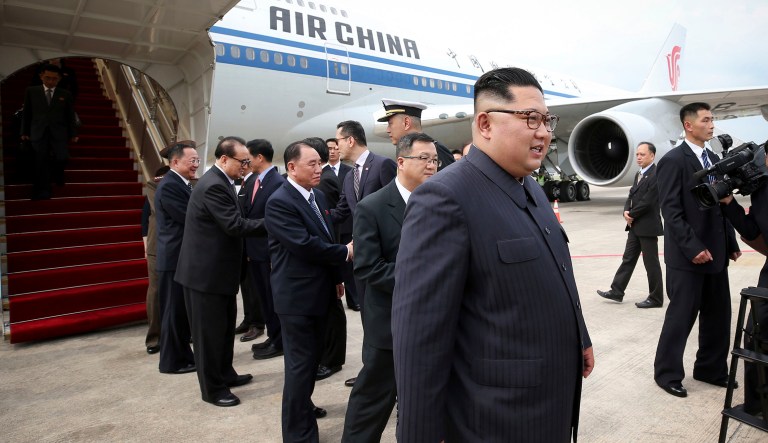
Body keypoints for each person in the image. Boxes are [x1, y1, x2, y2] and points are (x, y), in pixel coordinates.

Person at [391, 67, 594, 442]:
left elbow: (556, 271)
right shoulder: (445, 198)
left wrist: (579, 337)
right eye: (530, 119)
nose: (545, 132)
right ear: (485, 124)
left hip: (550, 401)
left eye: (546, 120)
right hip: (496, 416)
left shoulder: (530, 188)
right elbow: (419, 337)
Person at [342, 132, 437, 442]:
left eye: (435, 160)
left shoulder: (439, 202)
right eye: (424, 158)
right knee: (373, 399)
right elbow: (368, 267)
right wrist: (425, 278)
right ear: (401, 161)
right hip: (390, 324)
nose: (432, 165)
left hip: (435, 323)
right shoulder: (373, 207)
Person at [265, 141, 353, 441]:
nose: (320, 168)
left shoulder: (315, 195)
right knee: (300, 366)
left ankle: (302, 406)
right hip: (297, 299)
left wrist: (337, 278)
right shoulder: (280, 201)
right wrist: (344, 253)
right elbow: (304, 245)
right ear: (292, 167)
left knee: (310, 362)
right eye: (312, 164)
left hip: (321, 291)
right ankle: (298, 433)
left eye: (320, 163)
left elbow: (327, 232)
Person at [653, 102, 741, 398]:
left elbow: (722, 204)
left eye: (712, 119)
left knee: (719, 316)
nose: (712, 124)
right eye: (706, 120)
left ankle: (710, 368)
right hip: (688, 257)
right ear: (689, 125)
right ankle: (667, 374)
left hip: (716, 253)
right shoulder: (673, 161)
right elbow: (671, 211)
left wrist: (730, 242)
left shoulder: (713, 158)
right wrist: (693, 248)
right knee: (681, 317)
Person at [175, 136, 267, 407]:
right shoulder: (213, 185)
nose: (246, 166)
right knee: (208, 336)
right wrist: (275, 220)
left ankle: (225, 373)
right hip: (204, 277)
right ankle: (212, 389)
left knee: (224, 330)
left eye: (248, 161)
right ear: (224, 159)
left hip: (220, 275)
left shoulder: (223, 182)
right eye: (243, 162)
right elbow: (234, 225)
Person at [330, 120, 397, 388]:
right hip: (362, 257)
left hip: (384, 256)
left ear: (350, 140)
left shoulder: (382, 165)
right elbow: (342, 211)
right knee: (368, 316)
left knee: (385, 317)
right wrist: (310, 215)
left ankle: (392, 373)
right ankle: (371, 371)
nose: (334, 145)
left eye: (338, 140)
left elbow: (396, 204)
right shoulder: (348, 175)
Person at [719, 143, 768, 415]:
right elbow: (752, 229)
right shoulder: (762, 190)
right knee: (755, 336)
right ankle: (756, 405)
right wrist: (730, 204)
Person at [597, 142, 665, 308]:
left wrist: (631, 215)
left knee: (651, 264)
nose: (639, 158)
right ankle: (617, 291)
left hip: (647, 226)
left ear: (652, 156)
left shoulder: (656, 175)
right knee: (628, 259)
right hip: (635, 226)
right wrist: (626, 211)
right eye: (637, 155)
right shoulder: (638, 174)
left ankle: (656, 298)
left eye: (642, 154)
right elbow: (631, 196)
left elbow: (648, 202)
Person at [304, 137, 347, 381]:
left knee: (333, 312)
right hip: (322, 258)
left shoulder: (325, 183)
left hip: (327, 255)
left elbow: (331, 227)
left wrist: (336, 269)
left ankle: (333, 359)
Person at [154, 142, 199, 375]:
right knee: (172, 313)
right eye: (191, 161)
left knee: (179, 313)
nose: (195, 165)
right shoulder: (171, 186)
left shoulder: (181, 184)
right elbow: (187, 217)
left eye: (197, 161)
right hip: (173, 258)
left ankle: (183, 357)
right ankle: (172, 362)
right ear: (175, 162)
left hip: (179, 257)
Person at [242, 139, 287, 357]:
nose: (245, 161)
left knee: (273, 298)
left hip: (269, 253)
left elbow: (275, 221)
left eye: (248, 156)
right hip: (256, 253)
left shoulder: (276, 182)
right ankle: (272, 335)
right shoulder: (254, 181)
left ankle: (279, 341)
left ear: (259, 157)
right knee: (264, 298)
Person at [21, 63, 79, 200]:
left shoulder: (65, 94)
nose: (51, 81)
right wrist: (24, 131)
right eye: (48, 78)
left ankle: (57, 174)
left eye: (54, 79)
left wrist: (73, 133)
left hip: (58, 133)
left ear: (59, 79)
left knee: (62, 158)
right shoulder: (31, 91)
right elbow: (27, 113)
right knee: (41, 162)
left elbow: (70, 115)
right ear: (41, 76)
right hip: (38, 132)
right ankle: (42, 191)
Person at [326, 137, 360, 312]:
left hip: (348, 225)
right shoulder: (322, 172)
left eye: (335, 147)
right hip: (331, 224)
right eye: (329, 148)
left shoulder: (350, 171)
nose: (332, 151)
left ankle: (354, 299)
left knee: (350, 265)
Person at [378, 98, 454, 171]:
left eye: (390, 124)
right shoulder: (405, 149)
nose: (387, 130)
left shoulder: (436, 150)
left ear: (406, 123)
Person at [142, 164, 170, 355]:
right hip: (156, 248)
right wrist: (146, 247)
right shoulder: (154, 189)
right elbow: (145, 221)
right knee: (156, 291)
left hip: (177, 247)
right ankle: (154, 338)